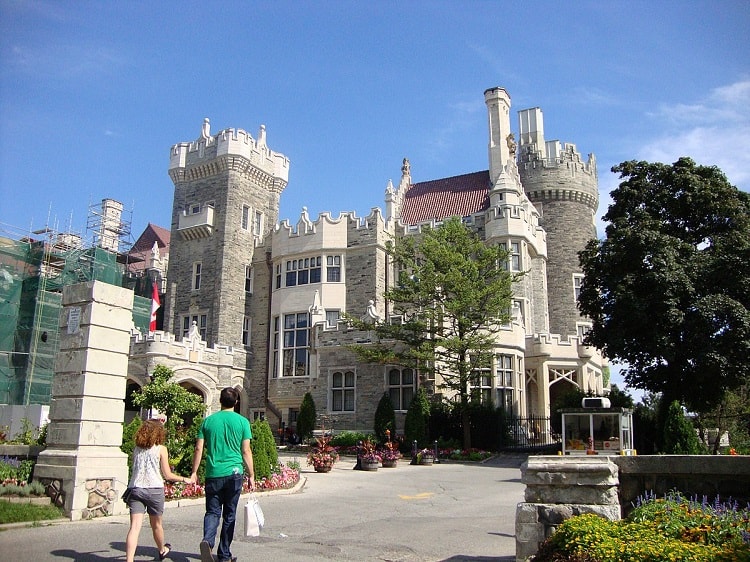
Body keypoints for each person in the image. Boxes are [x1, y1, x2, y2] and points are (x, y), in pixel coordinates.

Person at [191, 387, 255, 562]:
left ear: (220, 401)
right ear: (236, 402)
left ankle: (208, 540)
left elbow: (198, 448)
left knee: (212, 512)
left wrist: (194, 471)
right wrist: (251, 475)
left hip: (214, 472)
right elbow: (246, 451)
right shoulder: (243, 422)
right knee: (229, 514)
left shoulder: (208, 422)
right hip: (234, 472)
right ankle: (224, 554)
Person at [125, 418, 191, 562]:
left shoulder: (137, 449)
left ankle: (129, 560)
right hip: (154, 489)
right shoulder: (161, 449)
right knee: (156, 525)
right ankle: (162, 550)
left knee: (134, 527)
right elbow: (167, 475)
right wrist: (185, 479)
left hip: (136, 488)